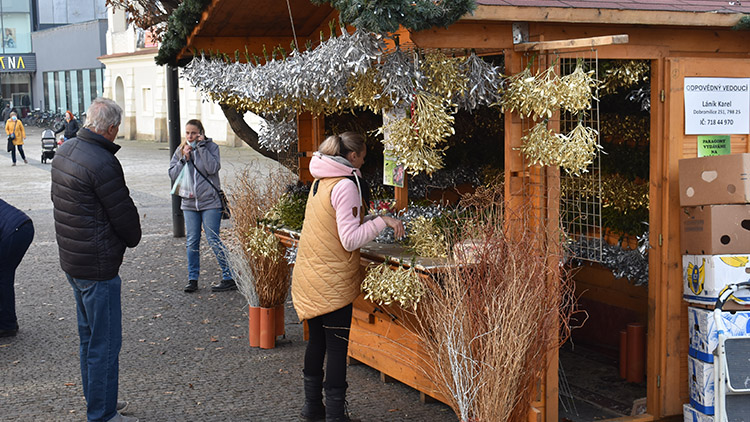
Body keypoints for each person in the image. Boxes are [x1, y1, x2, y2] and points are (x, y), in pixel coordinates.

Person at [292, 132, 405, 422]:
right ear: (352, 157)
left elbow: (338, 224)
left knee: (316, 341)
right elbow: (350, 240)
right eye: (364, 158)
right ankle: (335, 416)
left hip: (310, 274)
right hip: (332, 280)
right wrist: (381, 221)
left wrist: (376, 218)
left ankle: (313, 408)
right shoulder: (345, 185)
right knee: (337, 345)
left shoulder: (321, 180)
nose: (364, 163)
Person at [51, 97, 141, 422]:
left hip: (74, 261)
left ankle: (98, 401)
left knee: (89, 340)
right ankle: (102, 414)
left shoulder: (65, 151)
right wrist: (132, 238)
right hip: (98, 266)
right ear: (113, 128)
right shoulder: (102, 162)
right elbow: (124, 215)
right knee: (104, 344)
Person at [168, 119, 234, 293]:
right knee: (192, 242)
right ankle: (192, 279)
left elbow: (213, 168)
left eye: (193, 133)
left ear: (200, 133)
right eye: (187, 133)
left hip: (210, 201)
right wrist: (184, 158)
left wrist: (202, 147)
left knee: (213, 239)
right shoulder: (180, 150)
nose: (190, 136)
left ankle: (229, 276)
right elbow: (172, 174)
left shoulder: (211, 147)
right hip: (189, 203)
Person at [0, 198, 34, 338]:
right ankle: (7, 321)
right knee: (3, 275)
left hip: (15, 232)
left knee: (3, 276)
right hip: (21, 226)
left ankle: (7, 325)